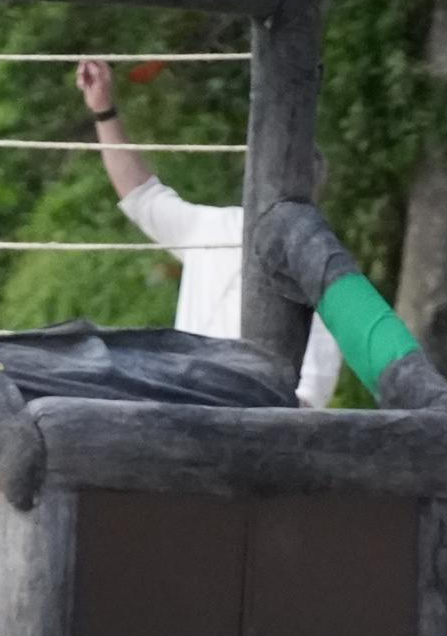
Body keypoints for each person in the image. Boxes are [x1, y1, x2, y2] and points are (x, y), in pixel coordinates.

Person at [74, 58, 341, 406]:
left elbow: (309, 398)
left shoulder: (322, 269)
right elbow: (142, 197)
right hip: (178, 411)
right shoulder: (211, 227)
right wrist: (104, 111)